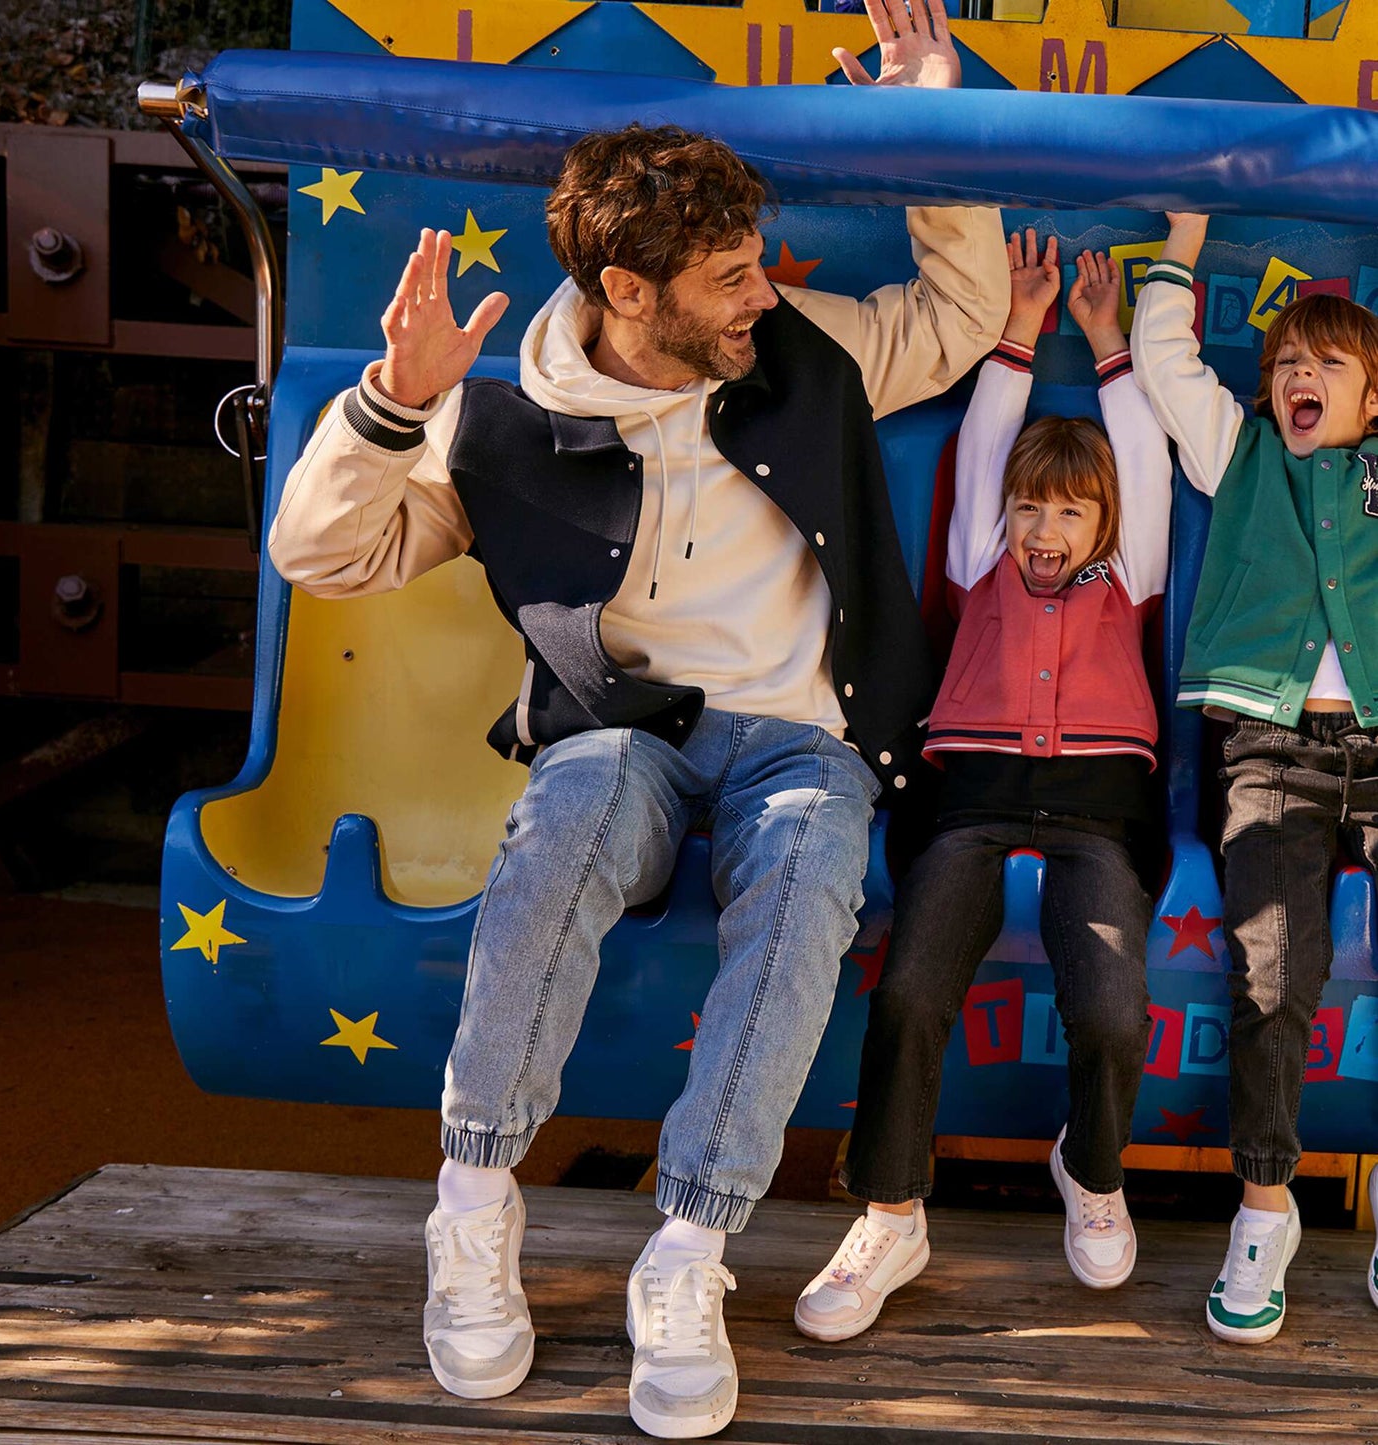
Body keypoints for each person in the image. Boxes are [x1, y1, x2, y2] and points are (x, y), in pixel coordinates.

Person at [266, 1, 1008, 1432]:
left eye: (754, 267)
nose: (756, 294)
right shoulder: (491, 425)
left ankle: (688, 1251)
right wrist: (381, 408)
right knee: (574, 805)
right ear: (626, 283)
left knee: (807, 864)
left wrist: (932, 107)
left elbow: (962, 316)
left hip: (800, 737)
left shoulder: (802, 352)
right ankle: (472, 1212)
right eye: (728, 277)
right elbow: (326, 557)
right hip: (625, 742)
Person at [794, 230, 1172, 1343]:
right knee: (910, 992)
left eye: (1068, 512)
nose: (1044, 530)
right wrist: (1015, 330)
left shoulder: (1129, 576)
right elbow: (985, 440)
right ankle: (890, 1208)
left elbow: (1140, 458)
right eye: (1029, 510)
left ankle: (1091, 1168)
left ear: (1102, 525)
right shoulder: (975, 562)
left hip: (1097, 808)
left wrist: (1103, 340)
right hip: (969, 798)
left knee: (1109, 1005)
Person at [1132, 212, 1378, 1344]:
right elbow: (1166, 362)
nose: (1298, 375)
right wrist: (1178, 244)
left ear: (1371, 399)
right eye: (1284, 361)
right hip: (1270, 747)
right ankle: (1264, 1203)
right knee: (1271, 970)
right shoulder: (1235, 454)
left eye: (1328, 363)